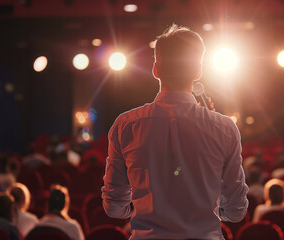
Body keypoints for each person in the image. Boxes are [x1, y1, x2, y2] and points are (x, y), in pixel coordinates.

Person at [102, 24, 249, 239]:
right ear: (198, 71)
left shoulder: (126, 125)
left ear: (156, 69)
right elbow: (236, 211)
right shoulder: (225, 128)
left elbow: (113, 207)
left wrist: (141, 211)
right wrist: (209, 211)